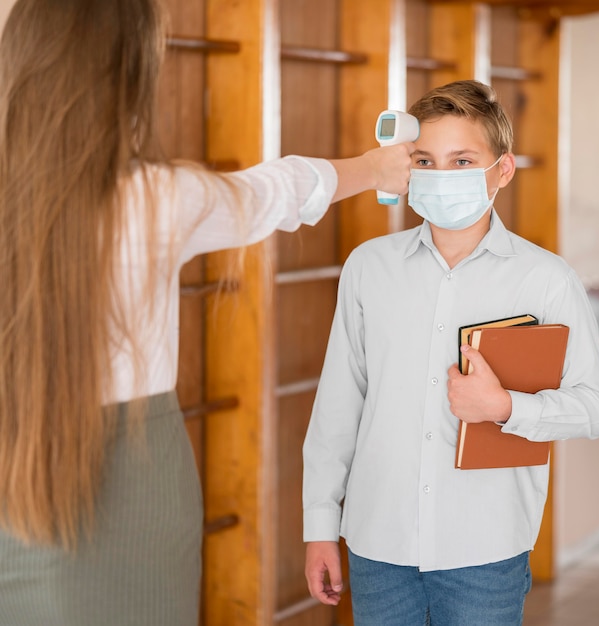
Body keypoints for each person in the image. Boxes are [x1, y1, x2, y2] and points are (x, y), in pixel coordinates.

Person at [0, 1, 416, 624]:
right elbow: (274, 190)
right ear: (126, 78)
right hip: (137, 472)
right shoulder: (156, 199)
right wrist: (379, 167)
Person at [303, 79, 599, 625]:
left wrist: (507, 409)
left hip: (485, 552)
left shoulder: (546, 280)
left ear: (503, 169)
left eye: (462, 159)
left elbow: (596, 407)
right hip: (379, 548)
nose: (440, 175)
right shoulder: (367, 268)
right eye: (424, 160)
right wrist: (319, 527)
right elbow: (338, 406)